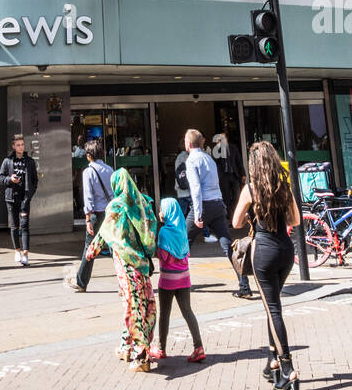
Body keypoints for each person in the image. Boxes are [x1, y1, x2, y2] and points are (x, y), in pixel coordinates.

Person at [232, 141, 301, 390]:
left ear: (253, 165)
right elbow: (295, 220)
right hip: (286, 251)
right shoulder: (285, 187)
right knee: (272, 306)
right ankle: (272, 360)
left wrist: (253, 213)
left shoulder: (251, 190)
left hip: (264, 252)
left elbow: (236, 221)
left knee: (273, 310)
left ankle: (287, 369)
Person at [84, 168, 158, 372]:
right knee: (145, 302)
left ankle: (141, 355)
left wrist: (92, 251)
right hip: (142, 263)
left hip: (125, 264)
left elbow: (104, 232)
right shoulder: (143, 203)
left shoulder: (116, 205)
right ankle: (126, 347)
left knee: (133, 305)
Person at [183, 129, 251, 298]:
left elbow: (196, 189)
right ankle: (244, 286)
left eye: (185, 140)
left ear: (189, 144)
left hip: (203, 205)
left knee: (182, 242)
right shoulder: (209, 158)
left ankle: (179, 283)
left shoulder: (192, 160)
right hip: (217, 204)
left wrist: (198, 213)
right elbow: (216, 183)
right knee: (227, 245)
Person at [149, 197, 206, 364]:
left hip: (168, 280)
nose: (159, 213)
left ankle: (161, 348)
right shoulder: (182, 230)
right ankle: (199, 347)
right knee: (188, 312)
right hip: (184, 278)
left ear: (167, 213)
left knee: (165, 314)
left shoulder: (164, 232)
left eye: (161, 210)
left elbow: (164, 255)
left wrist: (155, 250)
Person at [70, 139, 114, 292]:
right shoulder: (110, 169)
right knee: (115, 248)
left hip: (96, 215)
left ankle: (81, 282)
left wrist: (87, 219)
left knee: (89, 248)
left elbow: (88, 198)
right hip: (110, 214)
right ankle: (126, 282)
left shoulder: (88, 172)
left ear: (88, 155)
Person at [0, 134, 39, 265]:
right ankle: (17, 250)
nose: (21, 147)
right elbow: (1, 178)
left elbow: (34, 181)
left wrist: (29, 196)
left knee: (25, 226)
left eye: (22, 144)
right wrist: (10, 179)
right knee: (14, 226)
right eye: (18, 145)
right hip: (11, 198)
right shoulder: (7, 161)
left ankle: (26, 254)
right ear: (13, 146)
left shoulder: (30, 161)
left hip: (24, 199)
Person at [213, 132, 245, 220]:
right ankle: (231, 217)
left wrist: (243, 174)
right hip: (224, 176)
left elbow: (239, 161)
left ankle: (234, 213)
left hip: (234, 175)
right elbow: (215, 160)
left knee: (237, 196)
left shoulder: (233, 148)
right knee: (226, 197)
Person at [174, 140, 192, 223]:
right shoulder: (187, 156)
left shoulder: (178, 157)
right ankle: (206, 234)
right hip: (189, 189)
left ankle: (180, 231)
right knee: (197, 212)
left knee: (181, 214)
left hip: (180, 189)